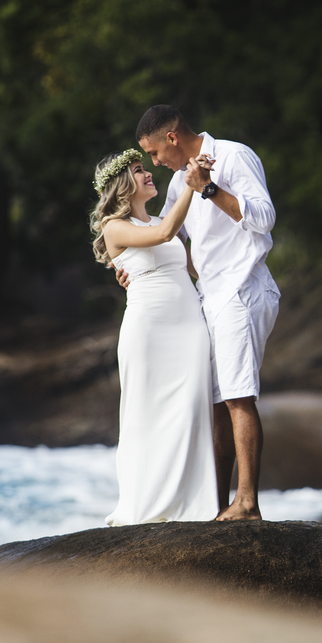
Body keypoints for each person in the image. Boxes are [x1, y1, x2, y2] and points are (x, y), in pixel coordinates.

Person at [119, 105, 280, 521]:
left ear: (172, 138)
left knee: (238, 396)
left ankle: (247, 502)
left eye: (154, 152)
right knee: (215, 405)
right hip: (209, 298)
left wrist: (208, 188)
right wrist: (135, 269)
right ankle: (216, 503)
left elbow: (264, 219)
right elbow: (169, 238)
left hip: (242, 288)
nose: (155, 162)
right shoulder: (178, 183)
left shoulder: (234, 156)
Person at [90, 149, 218, 525]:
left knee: (191, 411)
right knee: (146, 416)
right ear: (122, 185)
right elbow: (163, 235)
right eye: (138, 170)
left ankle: (191, 504)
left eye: (145, 168)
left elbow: (195, 267)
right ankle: (146, 504)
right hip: (149, 330)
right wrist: (192, 186)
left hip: (189, 327)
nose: (147, 174)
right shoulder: (115, 227)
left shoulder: (163, 219)